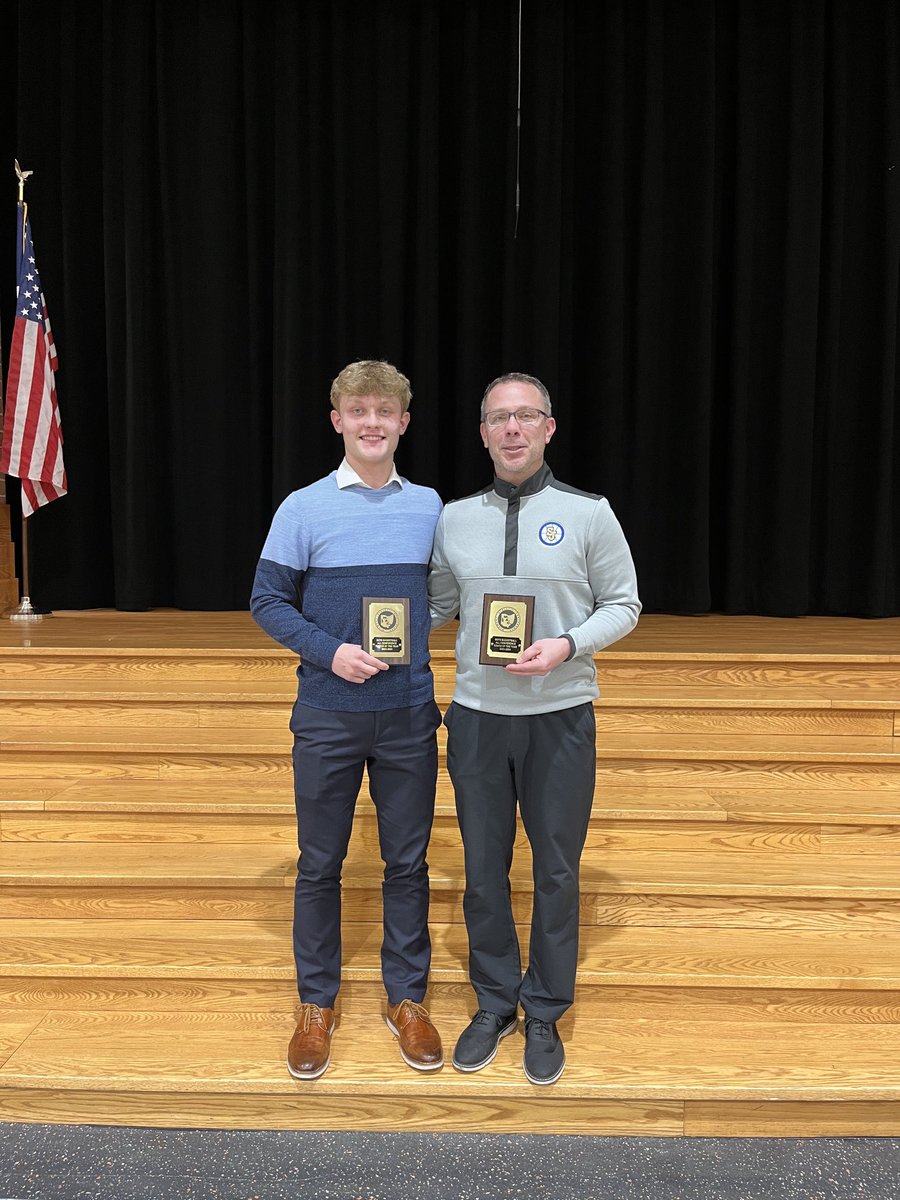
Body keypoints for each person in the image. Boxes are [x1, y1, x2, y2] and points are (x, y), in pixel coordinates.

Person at [428, 371, 640, 1085]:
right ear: (483, 433)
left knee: (554, 871)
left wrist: (568, 645)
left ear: (549, 428)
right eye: (498, 418)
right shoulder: (454, 518)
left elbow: (625, 604)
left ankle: (545, 1007)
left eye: (526, 416)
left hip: (560, 720)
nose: (512, 429)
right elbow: (433, 605)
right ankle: (494, 1001)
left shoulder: (590, 513)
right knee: (484, 872)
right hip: (478, 721)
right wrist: (362, 624)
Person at [251, 360, 444, 1080]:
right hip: (328, 714)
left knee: (407, 862)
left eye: (385, 411)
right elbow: (267, 602)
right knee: (319, 864)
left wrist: (417, 634)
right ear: (337, 420)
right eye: (358, 410)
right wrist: (331, 653)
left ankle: (408, 1000)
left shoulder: (429, 506)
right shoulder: (302, 508)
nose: (371, 422)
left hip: (407, 714)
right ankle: (316, 1005)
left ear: (403, 422)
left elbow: (445, 592)